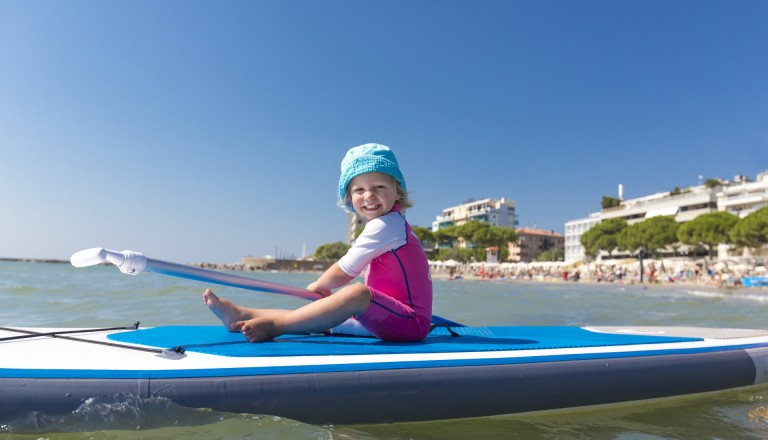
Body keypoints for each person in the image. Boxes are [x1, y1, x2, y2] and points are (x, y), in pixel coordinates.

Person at [203, 143, 433, 342]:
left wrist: (319, 287)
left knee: (355, 294)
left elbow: (345, 270)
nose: (369, 195)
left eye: (379, 187)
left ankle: (276, 326)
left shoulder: (386, 225)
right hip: (385, 317)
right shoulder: (393, 224)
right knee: (322, 313)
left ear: (397, 192)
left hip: (409, 324)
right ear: (349, 198)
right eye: (359, 190)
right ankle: (242, 314)